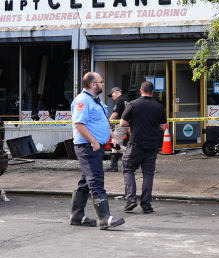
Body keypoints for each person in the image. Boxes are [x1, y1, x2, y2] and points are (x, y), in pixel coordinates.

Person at [69, 72, 125, 230]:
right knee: (96, 181)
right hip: (88, 147)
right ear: (93, 84)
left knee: (86, 182)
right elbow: (79, 124)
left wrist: (112, 137)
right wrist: (94, 142)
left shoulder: (95, 100)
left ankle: (77, 215)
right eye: (101, 82)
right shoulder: (82, 100)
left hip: (94, 147)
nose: (103, 84)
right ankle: (104, 218)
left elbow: (103, 122)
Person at [120, 80, 168, 214]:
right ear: (152, 92)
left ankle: (131, 199)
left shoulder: (133, 104)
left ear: (141, 91)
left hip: (135, 144)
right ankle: (146, 205)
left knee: (128, 170)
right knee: (148, 174)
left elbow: (123, 123)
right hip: (152, 146)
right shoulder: (159, 107)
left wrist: (134, 123)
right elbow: (163, 127)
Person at [107, 87, 127, 172]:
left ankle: (134, 154)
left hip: (121, 125)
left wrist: (108, 122)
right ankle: (113, 165)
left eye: (111, 95)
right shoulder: (125, 100)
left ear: (115, 92)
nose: (112, 97)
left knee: (115, 145)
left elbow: (115, 113)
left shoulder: (119, 100)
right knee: (115, 144)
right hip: (126, 124)